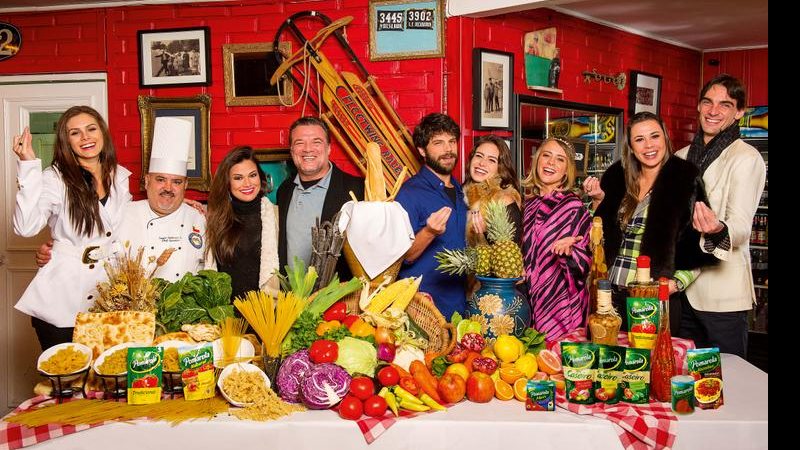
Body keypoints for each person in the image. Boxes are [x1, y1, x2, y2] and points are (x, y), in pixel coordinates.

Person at [583, 111, 717, 335]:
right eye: (639, 139)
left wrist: (673, 285)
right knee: (607, 365)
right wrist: (597, 202)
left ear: (665, 138)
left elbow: (700, 246)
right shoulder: (616, 176)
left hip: (651, 299)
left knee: (650, 366)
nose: (648, 146)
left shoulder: (685, 178)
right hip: (609, 295)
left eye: (654, 136)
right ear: (631, 147)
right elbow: (596, 235)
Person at [12, 106, 131, 350]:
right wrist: (28, 166)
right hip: (61, 299)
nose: (85, 137)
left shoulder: (119, 176)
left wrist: (185, 205)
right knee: (65, 381)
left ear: (103, 133)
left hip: (107, 297)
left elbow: (128, 222)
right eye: (75, 133)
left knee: (104, 380)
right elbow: (26, 227)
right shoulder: (54, 178)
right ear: (66, 142)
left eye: (91, 129)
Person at [35, 117, 207, 282]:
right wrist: (56, 251)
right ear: (147, 181)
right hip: (133, 306)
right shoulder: (122, 212)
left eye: (176, 182)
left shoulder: (198, 218)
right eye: (160, 180)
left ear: (185, 185)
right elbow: (84, 242)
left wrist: (179, 205)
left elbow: (209, 268)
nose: (168, 188)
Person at [675, 74, 766, 357]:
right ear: (699, 106)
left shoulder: (746, 157)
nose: (713, 111)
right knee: (684, 380)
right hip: (680, 289)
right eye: (708, 102)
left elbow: (740, 227)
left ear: (739, 112)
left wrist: (717, 228)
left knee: (730, 378)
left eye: (725, 105)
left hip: (722, 297)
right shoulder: (680, 156)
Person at [395, 113, 467, 320]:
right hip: (423, 308)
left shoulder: (462, 191)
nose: (448, 149)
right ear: (422, 150)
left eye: (452, 141)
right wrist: (428, 232)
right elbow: (402, 257)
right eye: (438, 143)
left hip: (459, 306)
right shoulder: (409, 193)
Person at [521, 137, 591, 340]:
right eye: (546, 155)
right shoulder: (527, 204)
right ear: (537, 161)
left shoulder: (573, 207)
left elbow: (588, 260)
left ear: (567, 170)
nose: (551, 163)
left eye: (560, 159)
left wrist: (570, 253)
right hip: (529, 302)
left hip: (562, 306)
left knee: (562, 366)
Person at [276, 116, 364, 278]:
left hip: (335, 297)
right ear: (292, 151)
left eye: (316, 142)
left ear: (329, 148)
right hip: (290, 298)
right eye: (299, 143)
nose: (307, 149)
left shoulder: (357, 189)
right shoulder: (285, 190)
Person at [205, 146, 280, 301]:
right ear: (227, 183)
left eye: (252, 175)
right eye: (238, 178)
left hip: (266, 315)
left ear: (260, 177)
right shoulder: (215, 219)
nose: (247, 183)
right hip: (226, 316)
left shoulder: (276, 216)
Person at [463, 134, 521, 248]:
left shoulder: (504, 200)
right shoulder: (460, 192)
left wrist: (485, 232)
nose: (482, 163)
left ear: (500, 168)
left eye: (491, 160)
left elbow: (510, 253)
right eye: (479, 156)